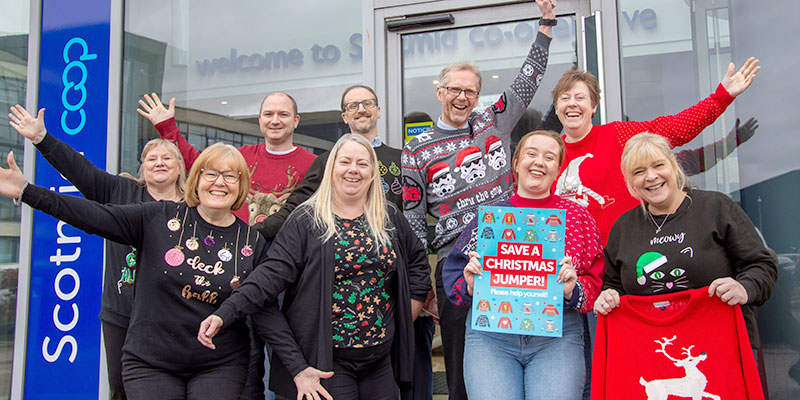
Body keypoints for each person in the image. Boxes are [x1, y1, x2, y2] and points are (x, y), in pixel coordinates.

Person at [0, 143, 270, 399]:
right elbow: (92, 215)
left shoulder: (251, 241)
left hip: (220, 364)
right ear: (196, 180)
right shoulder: (160, 217)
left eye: (230, 175)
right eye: (210, 173)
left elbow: (265, 307)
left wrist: (297, 368)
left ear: (241, 186)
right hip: (151, 362)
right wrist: (27, 191)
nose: (219, 182)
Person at [196, 134, 432, 400]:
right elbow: (268, 277)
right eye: (345, 162)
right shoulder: (306, 221)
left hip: (380, 360)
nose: (353, 169)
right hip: (328, 363)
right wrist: (225, 313)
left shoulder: (388, 216)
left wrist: (402, 317)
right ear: (331, 168)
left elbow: (417, 264)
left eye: (362, 163)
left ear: (372, 172)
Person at [401, 1, 556, 397]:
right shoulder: (415, 148)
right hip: (457, 262)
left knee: (523, 348)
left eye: (470, 90)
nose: (462, 96)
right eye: (454, 89)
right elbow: (414, 220)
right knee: (460, 365)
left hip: (515, 252)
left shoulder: (495, 120)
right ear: (439, 91)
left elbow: (528, 81)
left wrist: (546, 26)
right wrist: (424, 284)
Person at [8, 105, 186, 400]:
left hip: (176, 317)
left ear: (180, 166)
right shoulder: (120, 192)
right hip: (122, 314)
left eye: (167, 158)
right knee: (122, 389)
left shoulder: (195, 207)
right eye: (151, 158)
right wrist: (42, 138)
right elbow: (80, 171)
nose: (159, 163)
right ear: (142, 167)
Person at [440, 130, 604, 399]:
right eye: (531, 154)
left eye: (549, 157)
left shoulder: (578, 218)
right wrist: (470, 285)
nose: (539, 162)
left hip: (557, 337)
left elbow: (595, 281)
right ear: (515, 163)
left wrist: (572, 289)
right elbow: (455, 274)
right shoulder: (489, 217)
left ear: (558, 169)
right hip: (491, 337)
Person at [593, 132, 777, 357]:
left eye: (658, 165)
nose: (651, 176)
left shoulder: (716, 207)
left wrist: (744, 288)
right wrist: (609, 296)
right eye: (639, 172)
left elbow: (762, 265)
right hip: (657, 350)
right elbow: (614, 284)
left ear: (673, 165)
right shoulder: (623, 227)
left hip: (724, 346)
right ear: (630, 181)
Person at [550, 59, 760, 244]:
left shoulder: (618, 134)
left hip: (622, 256)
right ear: (557, 105)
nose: (572, 104)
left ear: (594, 106)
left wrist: (720, 98)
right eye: (565, 98)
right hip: (571, 265)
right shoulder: (548, 151)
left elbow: (675, 129)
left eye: (580, 98)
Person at [138, 91, 316, 225]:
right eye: (269, 114)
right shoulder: (241, 156)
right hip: (238, 251)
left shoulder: (314, 164)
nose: (275, 120)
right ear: (260, 119)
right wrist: (167, 127)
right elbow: (198, 166)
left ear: (296, 120)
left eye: (283, 114)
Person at [253, 85, 404, 241]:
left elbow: (414, 213)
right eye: (353, 106)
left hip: (393, 253)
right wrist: (251, 234)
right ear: (345, 117)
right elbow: (294, 208)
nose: (361, 109)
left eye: (367, 103)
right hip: (344, 253)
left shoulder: (402, 159)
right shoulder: (326, 162)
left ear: (378, 111)